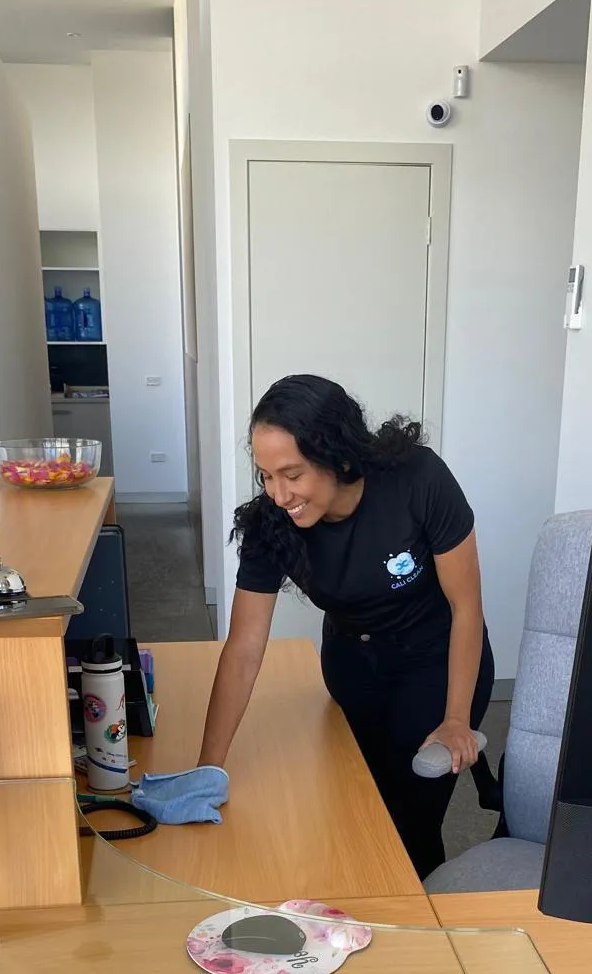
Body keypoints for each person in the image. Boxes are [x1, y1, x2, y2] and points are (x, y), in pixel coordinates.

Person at [198, 374, 494, 879]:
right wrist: (208, 769)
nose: (279, 494)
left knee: (409, 825)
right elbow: (244, 648)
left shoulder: (417, 480)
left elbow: (466, 607)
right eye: (266, 476)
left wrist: (455, 719)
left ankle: (419, 917)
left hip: (437, 661)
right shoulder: (270, 525)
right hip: (353, 664)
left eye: (292, 474)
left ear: (335, 454)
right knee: (356, 809)